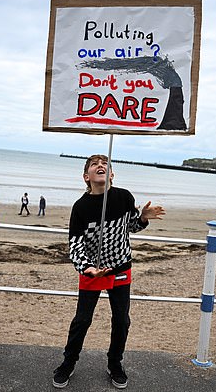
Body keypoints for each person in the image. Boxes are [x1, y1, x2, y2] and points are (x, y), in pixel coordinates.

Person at [53, 154, 165, 389]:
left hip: (121, 267)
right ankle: (68, 362)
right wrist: (87, 268)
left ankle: (115, 363)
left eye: (105, 164)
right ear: (86, 176)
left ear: (112, 174)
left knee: (122, 320)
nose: (101, 166)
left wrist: (143, 217)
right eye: (94, 164)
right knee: (82, 320)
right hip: (93, 271)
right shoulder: (80, 207)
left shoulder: (124, 197)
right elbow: (75, 244)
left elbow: (132, 226)